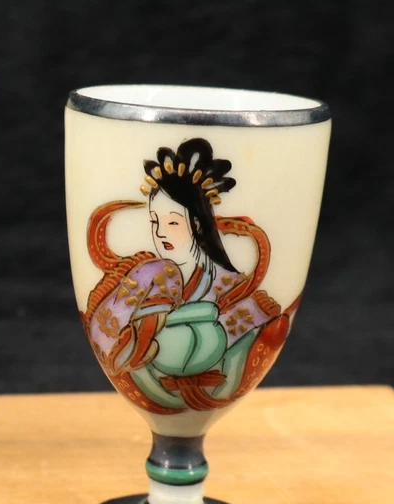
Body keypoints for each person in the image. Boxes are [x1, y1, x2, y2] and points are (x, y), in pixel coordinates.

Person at [83, 138, 294, 414]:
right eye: (154, 222)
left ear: (196, 223)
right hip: (148, 382)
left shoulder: (230, 287)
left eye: (172, 222)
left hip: (210, 386)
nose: (160, 233)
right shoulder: (147, 275)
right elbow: (106, 336)